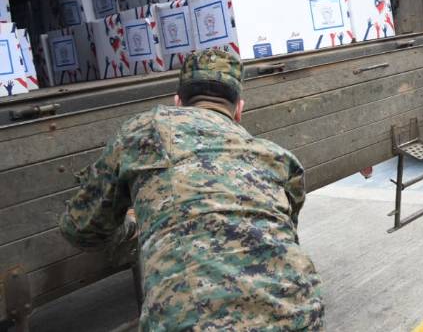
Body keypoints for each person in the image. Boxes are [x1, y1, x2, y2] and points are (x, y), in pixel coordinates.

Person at [59, 49, 324, 331]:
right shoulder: (281, 160)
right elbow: (280, 234)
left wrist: (135, 226)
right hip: (298, 318)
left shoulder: (142, 131)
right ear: (239, 110)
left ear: (177, 102)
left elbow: (81, 229)